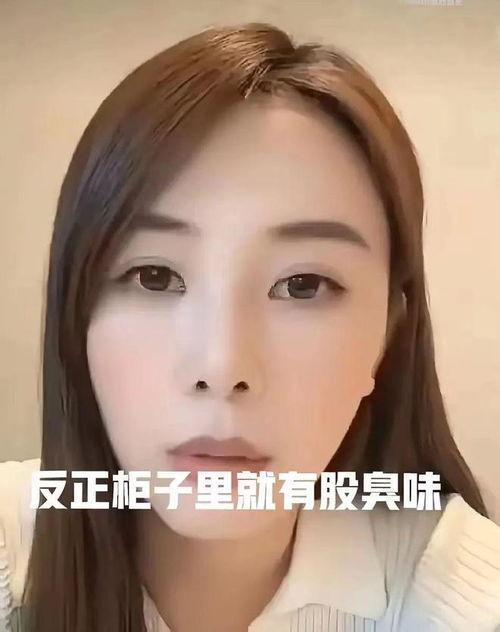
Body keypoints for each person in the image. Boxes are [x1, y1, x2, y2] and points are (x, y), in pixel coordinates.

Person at [0, 22, 499, 632]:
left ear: (386, 338)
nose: (222, 367)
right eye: (155, 276)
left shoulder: (449, 581)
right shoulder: (13, 549)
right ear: (77, 312)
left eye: (304, 285)